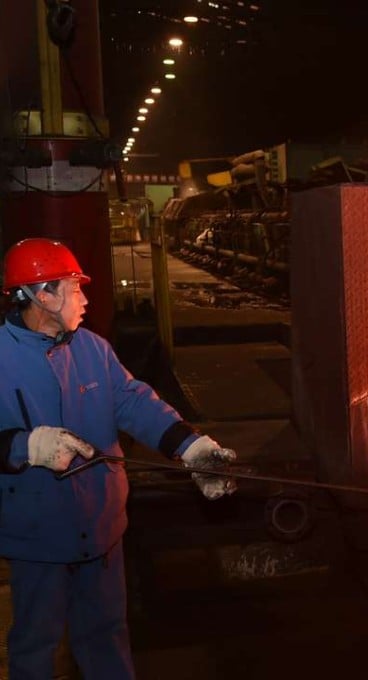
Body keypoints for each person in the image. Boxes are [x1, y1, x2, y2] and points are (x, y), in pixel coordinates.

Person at [0, 238, 236, 680]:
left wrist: (191, 447)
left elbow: (133, 402)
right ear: (41, 295)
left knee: (106, 636)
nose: (84, 299)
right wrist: (25, 447)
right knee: (35, 645)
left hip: (102, 529)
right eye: (74, 289)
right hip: (38, 539)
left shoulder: (92, 349)